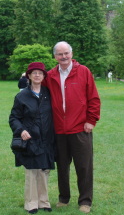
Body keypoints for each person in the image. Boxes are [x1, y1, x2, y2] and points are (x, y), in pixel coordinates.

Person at [43, 41, 101, 214]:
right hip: (59, 130)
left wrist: (91, 120)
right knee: (62, 166)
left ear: (71, 53)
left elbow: (94, 98)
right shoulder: (50, 76)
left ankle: (85, 201)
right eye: (60, 54)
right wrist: (25, 79)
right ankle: (64, 198)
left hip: (80, 129)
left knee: (84, 167)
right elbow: (38, 91)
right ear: (55, 56)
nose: (64, 57)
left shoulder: (83, 72)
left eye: (66, 53)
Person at [9, 62, 56, 214]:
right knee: (32, 171)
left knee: (44, 170)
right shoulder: (22, 96)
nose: (37, 75)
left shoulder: (48, 93)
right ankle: (31, 203)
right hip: (30, 139)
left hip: (47, 139)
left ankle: (44, 201)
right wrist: (21, 130)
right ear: (28, 76)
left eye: (40, 73)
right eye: (34, 73)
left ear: (43, 76)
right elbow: (14, 118)